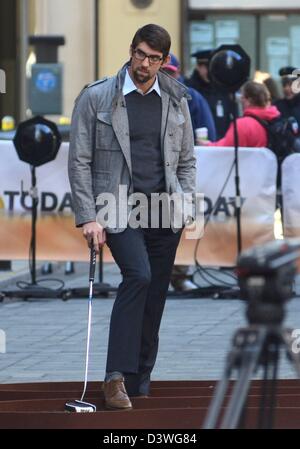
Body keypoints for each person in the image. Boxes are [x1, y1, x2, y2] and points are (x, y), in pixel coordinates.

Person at [68, 24, 196, 410]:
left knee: (156, 291)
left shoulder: (176, 98)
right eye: (140, 54)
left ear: (165, 61)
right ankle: (115, 378)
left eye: (153, 58)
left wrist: (186, 203)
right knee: (137, 276)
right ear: (131, 51)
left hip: (164, 210)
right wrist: (88, 216)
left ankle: (141, 378)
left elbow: (187, 159)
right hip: (117, 207)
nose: (144, 64)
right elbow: (79, 160)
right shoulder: (97, 97)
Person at [163, 53, 216, 292]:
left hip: (182, 172)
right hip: (152, 175)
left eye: (170, 72)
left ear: (178, 73)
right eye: (163, 72)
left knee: (183, 224)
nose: (166, 77)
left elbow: (206, 136)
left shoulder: (192, 97)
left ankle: (180, 273)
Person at [198, 81, 280, 147]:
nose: (240, 101)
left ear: (249, 100)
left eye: (242, 97)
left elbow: (225, 149)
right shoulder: (275, 117)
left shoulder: (243, 125)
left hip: (248, 167)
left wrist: (207, 145)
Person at [185, 49, 232, 139]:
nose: (211, 71)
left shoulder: (224, 87)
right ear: (198, 67)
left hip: (223, 144)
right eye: (207, 67)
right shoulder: (190, 89)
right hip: (199, 144)